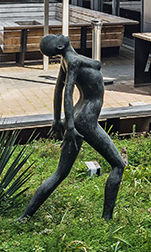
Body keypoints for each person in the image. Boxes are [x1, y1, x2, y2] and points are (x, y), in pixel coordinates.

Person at [19, 33, 125, 220]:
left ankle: (25, 217)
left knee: (60, 173)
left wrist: (57, 119)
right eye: (56, 36)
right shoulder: (73, 61)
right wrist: (69, 128)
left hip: (78, 117)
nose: (60, 34)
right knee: (118, 165)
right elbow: (67, 93)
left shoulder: (67, 60)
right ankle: (107, 219)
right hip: (85, 120)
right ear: (59, 47)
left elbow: (58, 89)